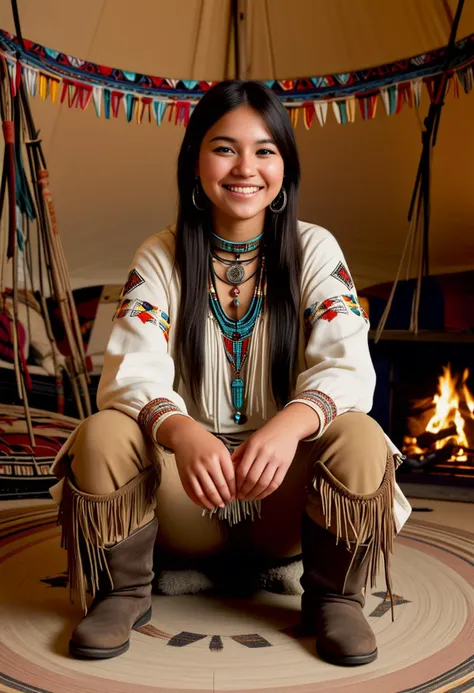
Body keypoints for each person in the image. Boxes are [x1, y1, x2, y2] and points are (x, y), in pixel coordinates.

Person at [51, 80, 411, 666]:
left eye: (265, 150)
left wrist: (289, 425)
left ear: (285, 168)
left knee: (362, 435)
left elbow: (348, 366)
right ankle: (123, 591)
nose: (246, 167)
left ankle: (334, 599)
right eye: (225, 148)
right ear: (195, 163)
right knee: (102, 432)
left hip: (283, 504)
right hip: (186, 500)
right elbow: (127, 370)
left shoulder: (315, 249)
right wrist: (182, 431)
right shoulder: (160, 255)